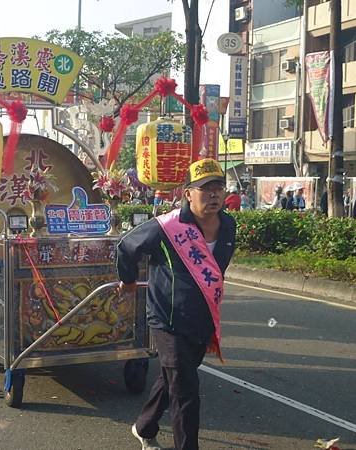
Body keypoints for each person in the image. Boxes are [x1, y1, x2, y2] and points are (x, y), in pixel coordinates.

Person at [117, 158, 236, 450]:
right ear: (188, 193)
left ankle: (144, 426)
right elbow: (126, 247)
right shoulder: (167, 227)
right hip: (166, 318)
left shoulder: (229, 226)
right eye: (205, 189)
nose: (214, 194)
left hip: (201, 318)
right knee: (186, 392)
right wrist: (129, 281)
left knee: (174, 377)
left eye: (218, 187)